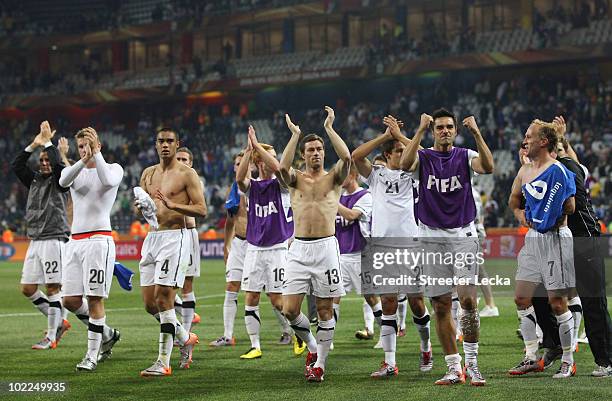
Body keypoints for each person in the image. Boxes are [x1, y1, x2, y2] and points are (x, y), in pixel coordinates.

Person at [400, 109, 494, 386]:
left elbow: (488, 167)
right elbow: (405, 164)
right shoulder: (424, 157)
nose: (444, 131)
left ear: (455, 130)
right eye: (439, 127)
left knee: (467, 301)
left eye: (449, 127)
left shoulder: (465, 156)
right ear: (433, 131)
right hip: (430, 236)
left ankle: (473, 364)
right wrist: (417, 131)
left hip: (463, 234)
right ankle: (454, 367)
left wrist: (477, 133)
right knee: (440, 305)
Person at [353, 115, 432, 377]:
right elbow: (356, 156)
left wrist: (400, 136)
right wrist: (387, 136)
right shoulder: (376, 175)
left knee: (416, 302)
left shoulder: (414, 173)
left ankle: (426, 346)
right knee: (388, 302)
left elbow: (422, 152)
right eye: (398, 151)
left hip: (410, 245)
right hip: (382, 247)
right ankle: (389, 362)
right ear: (387, 155)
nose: (404, 153)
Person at [279, 106, 351, 382]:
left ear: (324, 152)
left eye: (319, 149)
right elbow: (282, 168)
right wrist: (295, 135)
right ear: (304, 154)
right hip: (298, 248)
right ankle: (311, 346)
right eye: (310, 150)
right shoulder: (296, 179)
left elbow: (346, 156)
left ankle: (319, 363)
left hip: (326, 248)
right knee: (290, 310)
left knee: (324, 309)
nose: (316, 153)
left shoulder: (333, 177)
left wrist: (330, 128)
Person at [507, 119, 577, 379]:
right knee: (521, 298)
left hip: (556, 238)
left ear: (544, 141)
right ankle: (530, 355)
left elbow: (570, 206)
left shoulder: (558, 169)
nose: (525, 140)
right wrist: (520, 214)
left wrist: (551, 209)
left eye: (529, 135)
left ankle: (568, 360)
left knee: (557, 301)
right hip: (533, 238)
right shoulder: (525, 170)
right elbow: (513, 199)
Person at [137, 128, 206, 376]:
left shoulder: (187, 174)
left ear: (177, 144)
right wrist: (141, 207)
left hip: (176, 236)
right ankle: (186, 336)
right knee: (149, 304)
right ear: (155, 145)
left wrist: (173, 204)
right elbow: (143, 212)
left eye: (169, 141)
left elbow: (201, 209)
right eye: (161, 141)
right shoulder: (148, 174)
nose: (165, 145)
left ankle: (162, 362)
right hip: (152, 237)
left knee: (164, 298)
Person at [59, 127, 123, 372]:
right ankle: (107, 334)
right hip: (75, 242)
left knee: (95, 299)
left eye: (89, 145)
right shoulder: (73, 172)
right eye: (81, 147)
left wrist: (95, 155)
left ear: (99, 145)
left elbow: (107, 180)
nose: (84, 150)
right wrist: (82, 160)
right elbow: (63, 180)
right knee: (71, 300)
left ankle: (92, 355)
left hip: (99, 240)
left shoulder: (114, 169)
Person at [235, 125, 301, 359]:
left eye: (270, 158)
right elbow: (239, 178)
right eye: (264, 157)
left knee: (277, 300)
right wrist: (248, 149)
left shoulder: (282, 185)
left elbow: (280, 168)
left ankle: (298, 336)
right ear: (257, 161)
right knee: (251, 296)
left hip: (277, 248)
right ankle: (255, 346)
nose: (269, 161)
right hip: (254, 247)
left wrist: (260, 149)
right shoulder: (253, 187)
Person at [12, 121, 71, 350]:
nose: (45, 163)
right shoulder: (34, 179)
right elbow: (16, 166)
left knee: (53, 288)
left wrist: (49, 144)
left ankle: (51, 336)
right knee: (27, 288)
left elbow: (58, 165)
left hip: (54, 238)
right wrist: (34, 144)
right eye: (42, 160)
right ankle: (59, 321)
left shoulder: (60, 180)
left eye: (48, 160)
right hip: (35, 239)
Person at [332, 164, 373, 349]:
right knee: (333, 296)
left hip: (360, 254)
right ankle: (328, 338)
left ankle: (379, 333)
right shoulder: (338, 197)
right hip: (340, 255)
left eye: (344, 173)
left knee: (371, 297)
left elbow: (351, 215)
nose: (340, 177)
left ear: (354, 174)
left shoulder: (365, 196)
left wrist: (331, 200)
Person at [210, 151, 247, 347]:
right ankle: (227, 335)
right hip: (239, 244)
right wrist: (227, 244)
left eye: (243, 163)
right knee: (231, 287)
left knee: (273, 295)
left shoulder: (256, 188)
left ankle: (287, 331)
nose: (239, 166)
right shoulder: (232, 190)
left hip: (259, 246)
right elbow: (230, 221)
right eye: (237, 164)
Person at [174, 147, 204, 334]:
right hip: (168, 234)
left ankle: (185, 332)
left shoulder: (194, 181)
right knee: (161, 287)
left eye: (185, 159)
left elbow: (198, 208)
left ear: (191, 163)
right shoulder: (165, 178)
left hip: (188, 232)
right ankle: (187, 313)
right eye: (179, 159)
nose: (182, 162)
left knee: (186, 284)